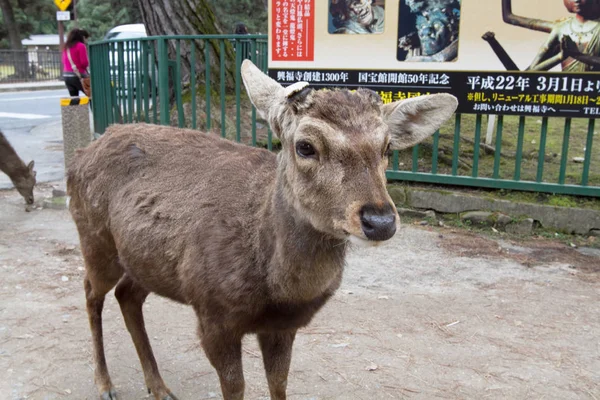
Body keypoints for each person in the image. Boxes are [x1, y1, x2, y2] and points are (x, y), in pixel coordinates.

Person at [502, 0, 600, 71]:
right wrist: (559, 57)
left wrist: (578, 56)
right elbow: (508, 17)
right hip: (567, 93)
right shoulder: (562, 28)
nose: (576, 0)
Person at [62, 28, 91, 97]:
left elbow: (64, 61)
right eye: (85, 38)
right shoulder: (81, 46)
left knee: (74, 98)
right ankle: (94, 107)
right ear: (82, 37)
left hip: (66, 75)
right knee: (91, 95)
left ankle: (75, 108)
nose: (86, 40)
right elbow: (84, 63)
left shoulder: (66, 47)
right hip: (78, 75)